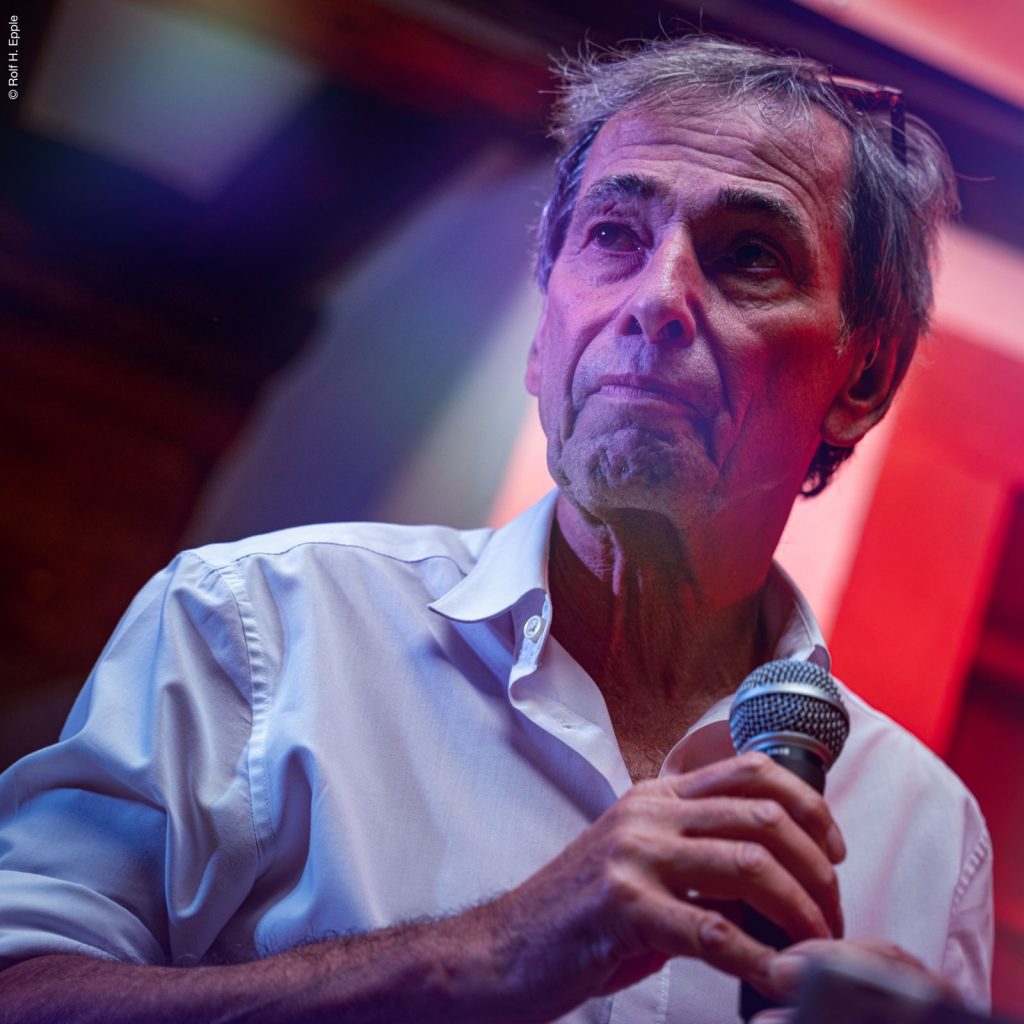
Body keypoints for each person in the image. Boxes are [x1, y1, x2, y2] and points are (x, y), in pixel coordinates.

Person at [0, 34, 991, 1023]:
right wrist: (484, 953)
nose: (656, 300)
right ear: (544, 331)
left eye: (750, 256)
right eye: (614, 234)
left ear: (862, 381)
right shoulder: (255, 624)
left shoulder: (928, 835)